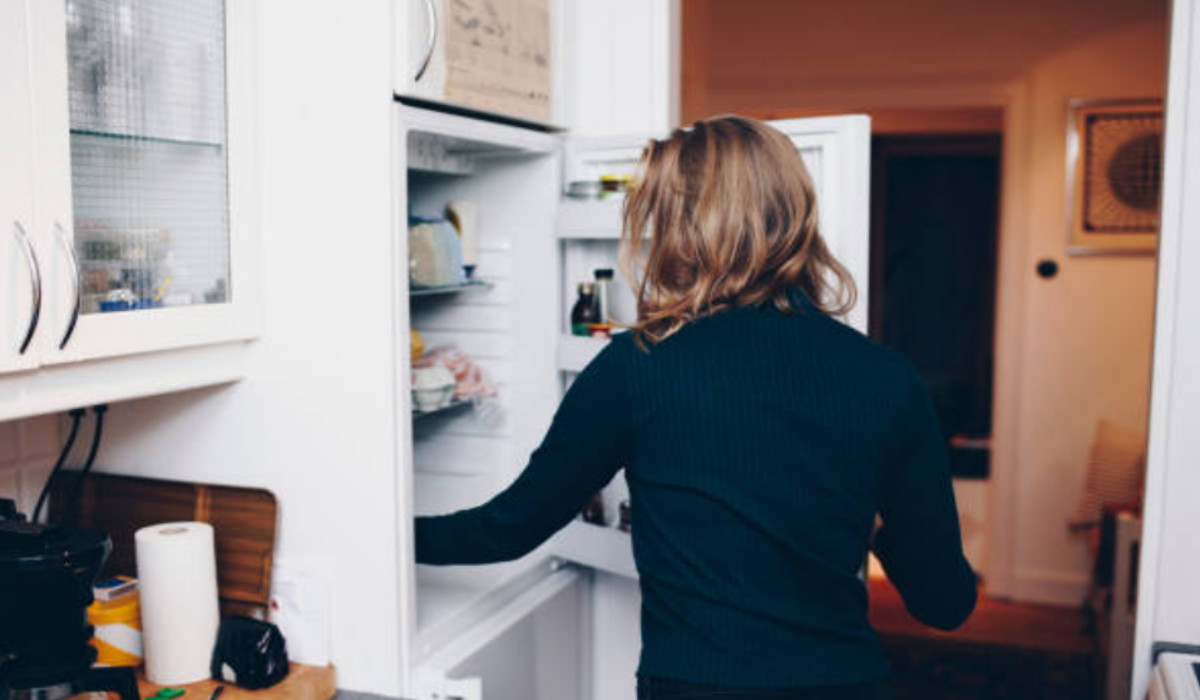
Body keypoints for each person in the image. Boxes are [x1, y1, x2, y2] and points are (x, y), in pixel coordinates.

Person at [415, 115, 978, 699]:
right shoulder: (889, 378)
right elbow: (946, 604)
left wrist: (400, 538)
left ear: (684, 229)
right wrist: (880, 530)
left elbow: (509, 527)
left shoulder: (638, 366)